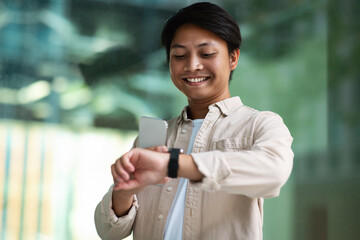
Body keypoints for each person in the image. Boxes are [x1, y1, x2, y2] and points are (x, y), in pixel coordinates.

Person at [94, 2, 294, 240]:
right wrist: (124, 193)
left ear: (233, 58)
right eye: (179, 55)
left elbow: (273, 173)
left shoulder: (260, 124)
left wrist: (173, 165)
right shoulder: (156, 136)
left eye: (206, 53)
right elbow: (109, 231)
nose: (192, 65)